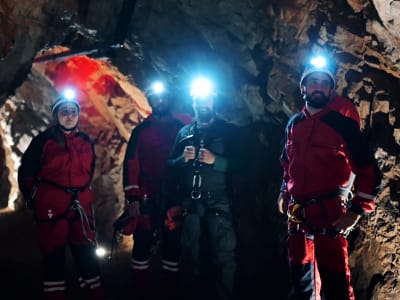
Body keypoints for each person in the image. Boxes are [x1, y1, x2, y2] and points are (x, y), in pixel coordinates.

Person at [277, 55, 382, 300]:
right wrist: (284, 191)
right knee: (302, 283)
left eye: (324, 83)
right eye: (313, 82)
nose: (318, 87)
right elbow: (286, 163)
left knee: (336, 287)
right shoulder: (294, 124)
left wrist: (356, 210)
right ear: (303, 87)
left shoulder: (342, 124)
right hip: (298, 216)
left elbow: (369, 170)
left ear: (330, 89)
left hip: (329, 214)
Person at [18, 90, 105, 300]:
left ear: (78, 114)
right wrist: (34, 199)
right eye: (64, 111)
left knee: (86, 252)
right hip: (52, 205)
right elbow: (26, 172)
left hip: (81, 206)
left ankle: (94, 293)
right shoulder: (43, 141)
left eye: (73, 111)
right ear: (56, 115)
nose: (69, 115)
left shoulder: (85, 141)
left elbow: (89, 171)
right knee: (53, 253)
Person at [167, 77, 243, 300]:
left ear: (214, 101)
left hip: (219, 201)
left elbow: (244, 165)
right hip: (191, 204)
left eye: (207, 99)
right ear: (193, 102)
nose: (203, 103)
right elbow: (169, 165)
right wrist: (181, 159)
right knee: (192, 256)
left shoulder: (228, 132)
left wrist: (216, 161)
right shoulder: (184, 132)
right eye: (199, 99)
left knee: (224, 256)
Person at [120, 80, 188, 300]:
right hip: (147, 194)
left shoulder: (180, 129)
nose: (160, 101)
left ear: (168, 100)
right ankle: (140, 291)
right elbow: (132, 164)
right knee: (142, 242)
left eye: (163, 97)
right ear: (151, 102)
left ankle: (170, 291)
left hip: (173, 194)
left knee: (172, 244)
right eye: (156, 98)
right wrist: (133, 198)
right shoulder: (141, 132)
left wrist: (185, 195)